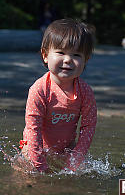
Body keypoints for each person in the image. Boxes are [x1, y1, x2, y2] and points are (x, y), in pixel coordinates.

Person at [20, 19, 97, 173]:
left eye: (76, 55)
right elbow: (33, 128)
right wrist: (39, 165)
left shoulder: (85, 91)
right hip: (34, 147)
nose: (68, 59)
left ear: (86, 60)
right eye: (61, 52)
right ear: (45, 55)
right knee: (26, 174)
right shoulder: (39, 89)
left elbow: (88, 126)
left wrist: (75, 160)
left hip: (65, 149)